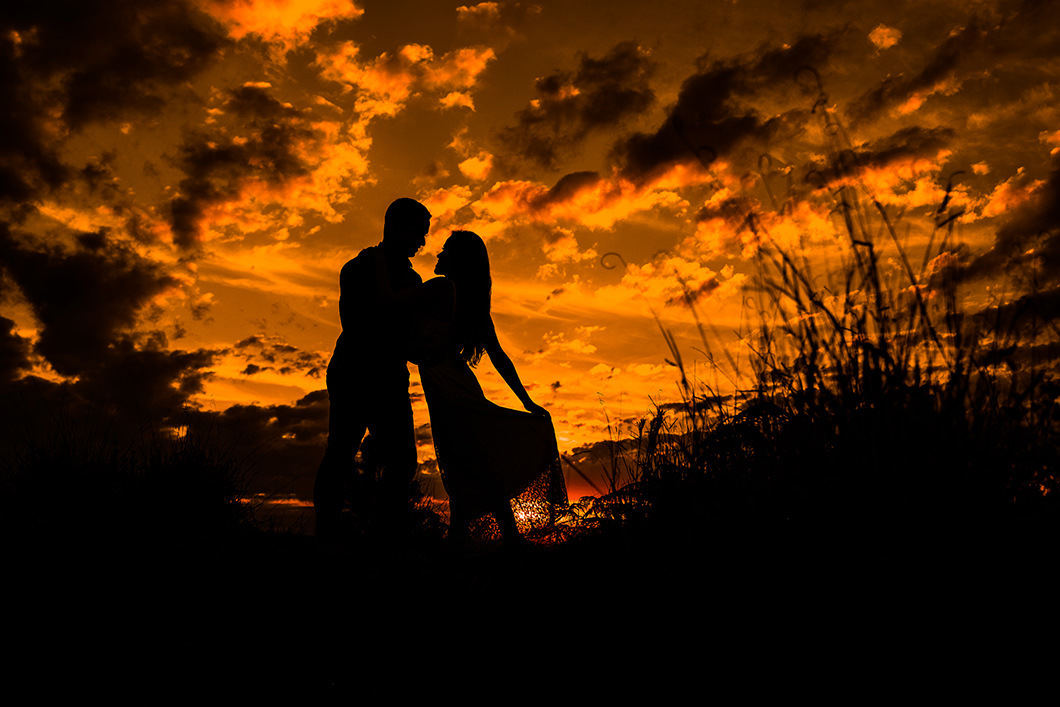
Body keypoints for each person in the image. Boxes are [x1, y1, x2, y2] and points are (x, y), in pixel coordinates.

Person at [401, 230, 567, 548]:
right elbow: (499, 357)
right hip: (457, 386)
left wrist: (414, 351)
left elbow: (397, 318)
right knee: (473, 467)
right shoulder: (470, 301)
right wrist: (526, 401)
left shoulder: (439, 288)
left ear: (459, 260)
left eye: (445, 250)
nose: (438, 254)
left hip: (449, 391)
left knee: (466, 467)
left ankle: (482, 544)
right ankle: (493, 542)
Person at [313, 197, 431, 539]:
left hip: (388, 376)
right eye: (418, 233)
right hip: (355, 372)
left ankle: (386, 535)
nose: (423, 242)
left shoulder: (411, 278)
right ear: (396, 227)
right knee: (342, 452)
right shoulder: (359, 268)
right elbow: (355, 324)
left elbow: (409, 335)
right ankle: (328, 533)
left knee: (400, 460)